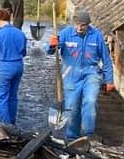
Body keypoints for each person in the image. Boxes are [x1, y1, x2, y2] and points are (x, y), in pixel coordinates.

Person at [48, 9, 115, 144]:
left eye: (82, 25)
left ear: (88, 25)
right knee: (72, 106)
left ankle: (88, 134)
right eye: (77, 24)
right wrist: (52, 45)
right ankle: (72, 137)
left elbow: (106, 60)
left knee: (90, 101)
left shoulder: (96, 36)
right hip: (70, 74)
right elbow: (50, 51)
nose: (79, 28)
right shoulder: (66, 34)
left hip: (91, 73)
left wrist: (109, 80)